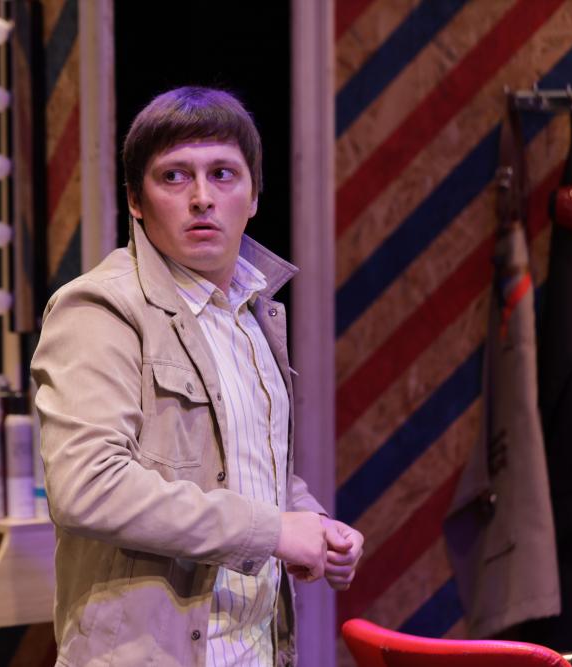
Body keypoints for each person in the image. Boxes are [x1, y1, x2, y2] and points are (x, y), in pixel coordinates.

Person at [31, 86, 364, 667]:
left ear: (254, 196)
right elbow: (88, 486)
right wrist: (272, 532)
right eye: (175, 177)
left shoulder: (252, 311)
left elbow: (246, 461)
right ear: (136, 200)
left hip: (256, 650)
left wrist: (311, 521)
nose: (202, 197)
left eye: (223, 174)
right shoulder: (102, 308)